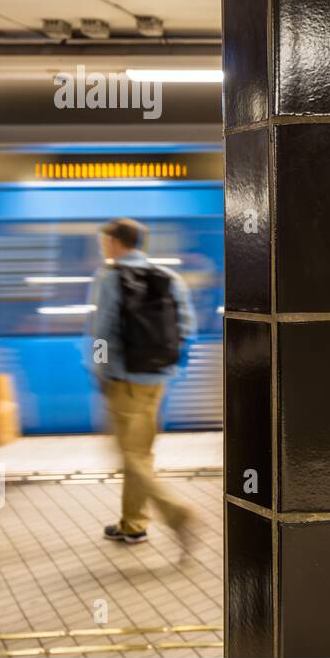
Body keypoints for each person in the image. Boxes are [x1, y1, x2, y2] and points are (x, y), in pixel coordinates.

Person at [87, 218, 197, 549]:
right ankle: (133, 525)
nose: (104, 247)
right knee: (141, 453)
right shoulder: (168, 277)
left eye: (105, 241)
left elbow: (103, 331)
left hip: (125, 381)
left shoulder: (111, 277)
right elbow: (186, 327)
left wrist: (102, 371)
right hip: (157, 380)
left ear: (114, 242)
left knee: (127, 457)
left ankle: (176, 512)